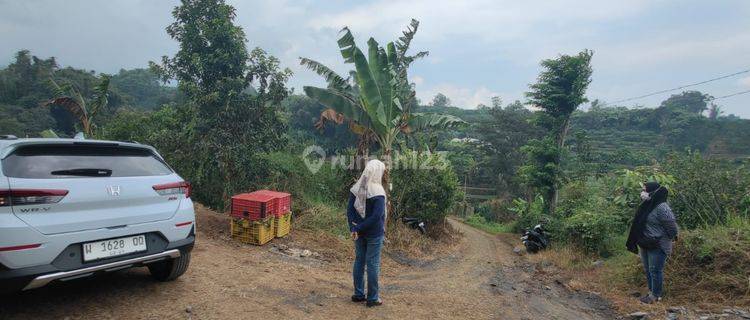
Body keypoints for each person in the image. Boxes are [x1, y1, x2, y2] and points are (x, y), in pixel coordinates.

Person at [626, 181, 679, 304]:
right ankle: (651, 292)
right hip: (645, 242)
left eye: (645, 190)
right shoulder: (647, 204)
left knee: (655, 270)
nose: (643, 192)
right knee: (648, 269)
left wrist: (669, 238)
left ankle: (656, 296)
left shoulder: (662, 207)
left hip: (658, 244)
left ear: (653, 192)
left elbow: (672, 227)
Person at [347, 159, 387, 307]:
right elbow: (377, 216)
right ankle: (372, 298)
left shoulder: (356, 188)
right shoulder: (378, 192)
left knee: (359, 261)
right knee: (373, 264)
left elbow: (350, 211)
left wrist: (354, 228)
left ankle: (358, 294)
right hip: (374, 233)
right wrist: (359, 228)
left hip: (358, 232)